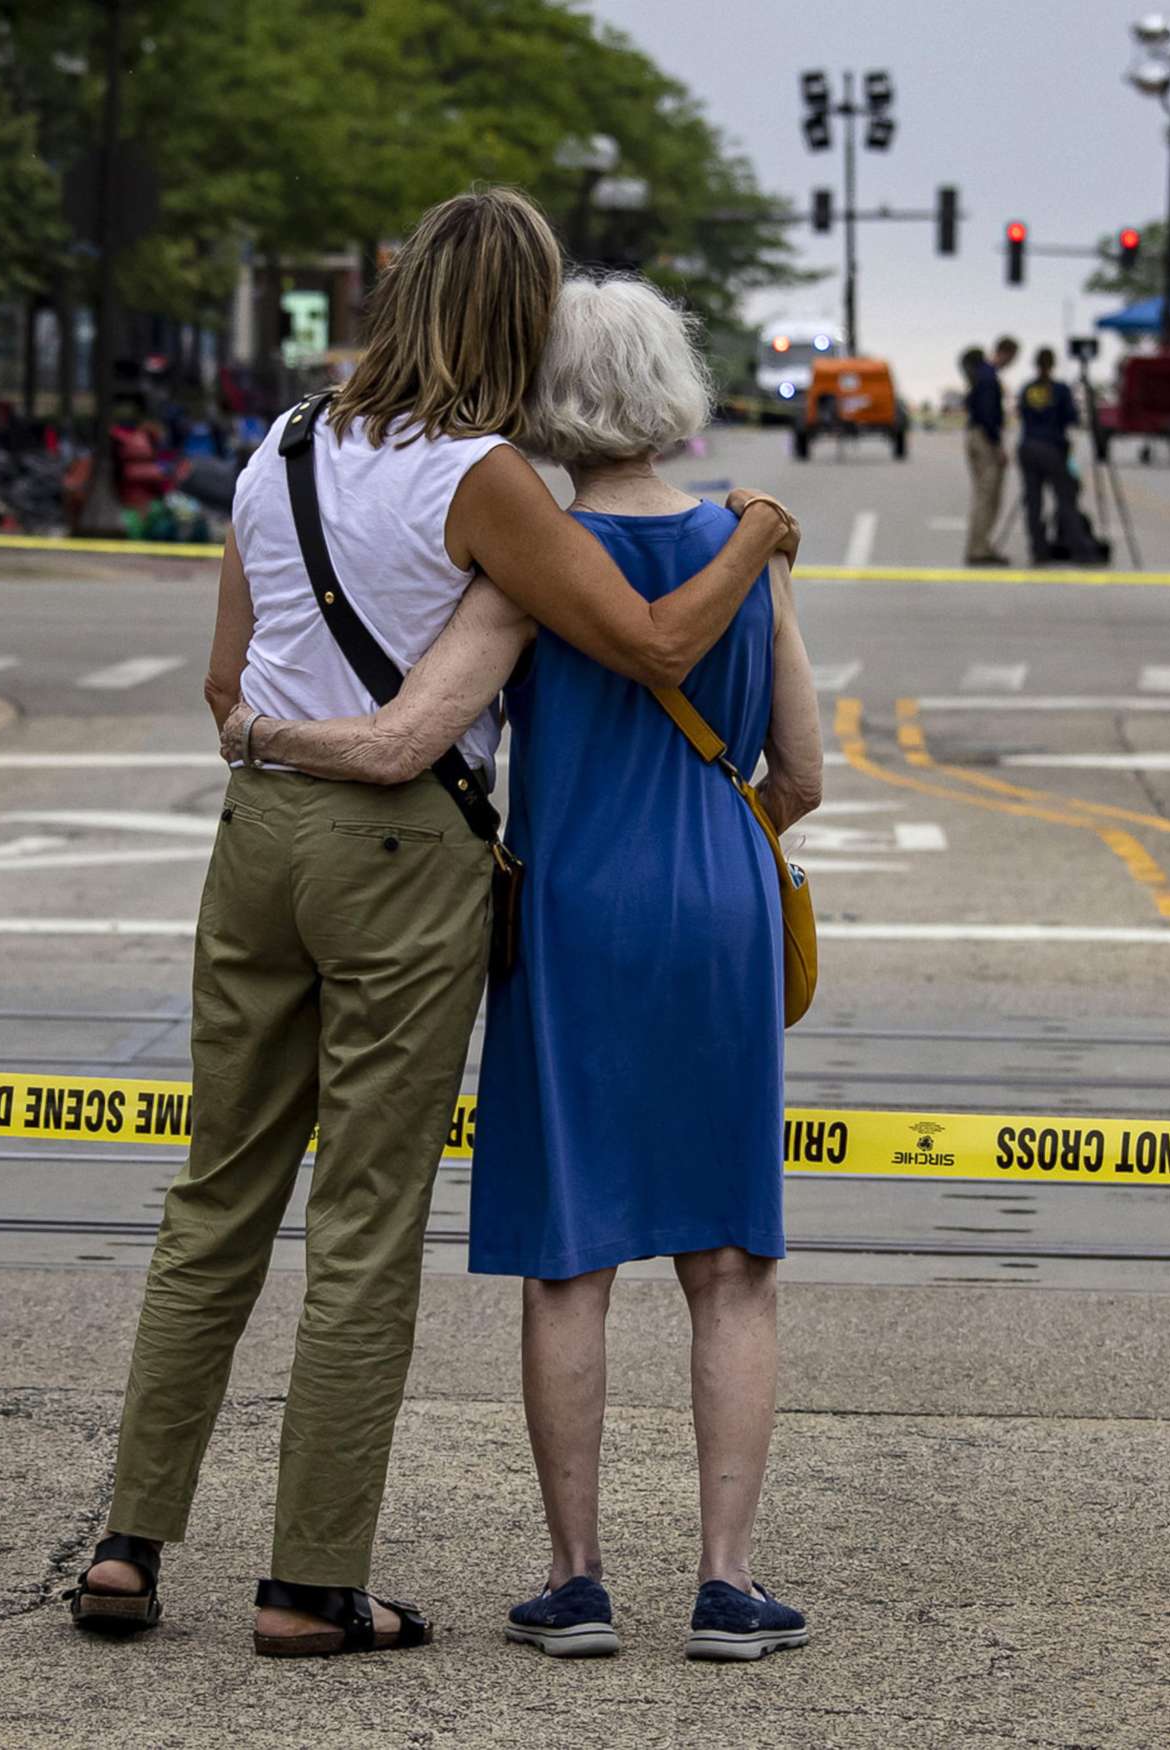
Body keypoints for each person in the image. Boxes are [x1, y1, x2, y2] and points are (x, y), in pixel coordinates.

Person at [65, 189, 801, 1661]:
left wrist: (276, 747)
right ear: (518, 322)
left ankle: (128, 1545)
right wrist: (762, 530)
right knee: (363, 1219)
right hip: (397, 854)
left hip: (255, 842)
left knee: (216, 1195)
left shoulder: (275, 449)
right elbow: (652, 640)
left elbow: (228, 687)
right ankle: (309, 1579)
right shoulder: (488, 481)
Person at [1015, 346, 1085, 563]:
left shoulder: (1027, 389)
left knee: (1033, 503)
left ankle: (1038, 550)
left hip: (1028, 447)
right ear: (1052, 364)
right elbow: (1072, 418)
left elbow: (1021, 414)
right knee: (1065, 499)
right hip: (1051, 448)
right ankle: (1079, 549)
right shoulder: (1060, 390)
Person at [963, 335, 1018, 564]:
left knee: (984, 495)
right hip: (984, 438)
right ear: (1005, 353)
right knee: (988, 495)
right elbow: (987, 415)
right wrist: (997, 446)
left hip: (976, 435)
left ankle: (981, 544)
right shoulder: (988, 377)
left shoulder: (982, 375)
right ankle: (978, 549)